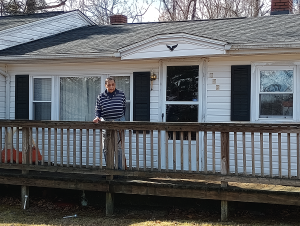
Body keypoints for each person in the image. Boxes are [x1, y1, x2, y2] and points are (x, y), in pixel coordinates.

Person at [93, 77, 126, 170]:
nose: (111, 87)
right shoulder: (100, 96)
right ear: (105, 85)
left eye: (113, 84)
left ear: (115, 85)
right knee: (106, 147)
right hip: (106, 122)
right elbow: (98, 109)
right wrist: (97, 117)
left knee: (119, 148)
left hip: (119, 122)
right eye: (109, 85)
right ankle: (109, 168)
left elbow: (124, 108)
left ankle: (120, 170)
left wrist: (120, 119)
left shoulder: (121, 94)